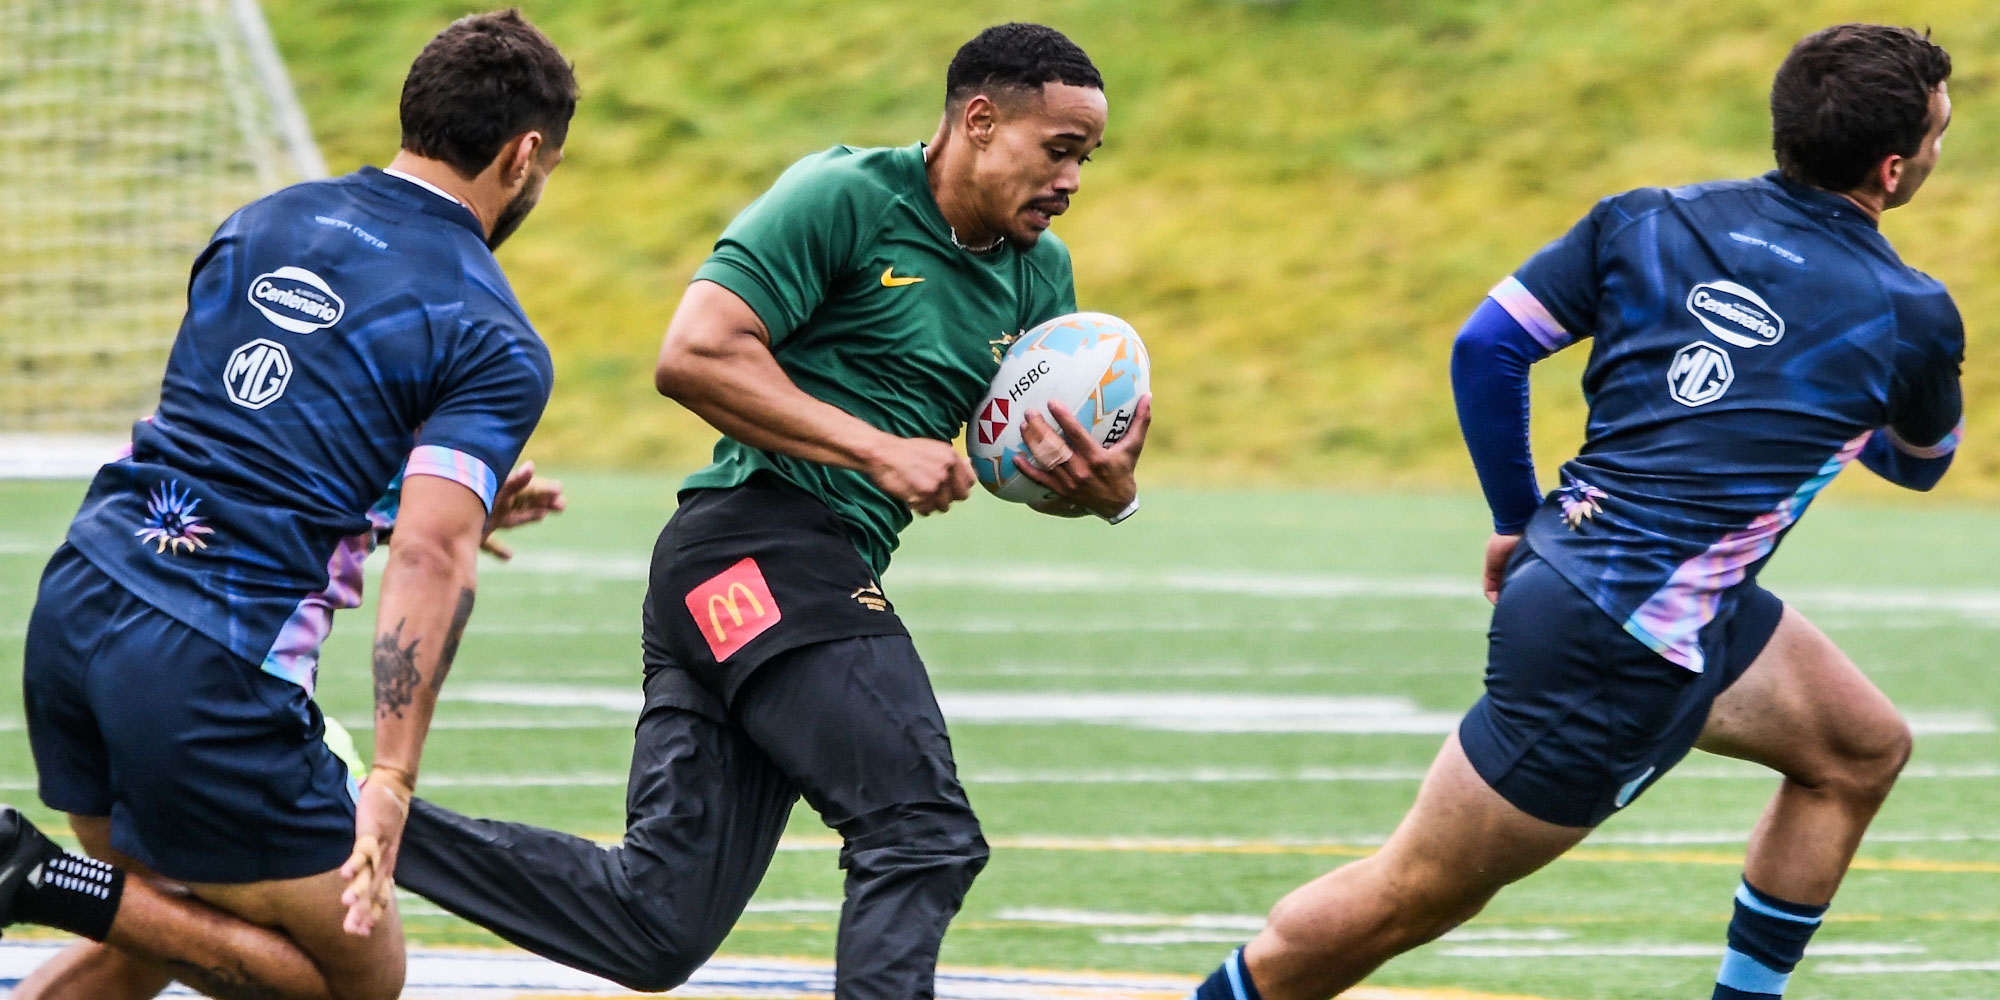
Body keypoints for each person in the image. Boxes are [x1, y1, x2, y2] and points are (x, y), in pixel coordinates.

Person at [1189, 23, 1959, 1000]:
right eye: (1938, 135)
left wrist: (1517, 520)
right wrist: (1827, 410)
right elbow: (1921, 462)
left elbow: (1486, 348)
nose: (1939, 150)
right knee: (1406, 895)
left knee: (1856, 748)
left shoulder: (1644, 218)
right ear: (1892, 170)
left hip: (1635, 587)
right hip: (1620, 646)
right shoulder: (1909, 312)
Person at [394, 21, 1149, 1000]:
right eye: (1058, 149)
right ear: (976, 121)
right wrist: (878, 449)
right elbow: (694, 353)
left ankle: (313, 819)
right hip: (752, 547)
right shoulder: (844, 196)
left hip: (767, 585)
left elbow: (1012, 459)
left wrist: (1100, 493)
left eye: (1086, 158)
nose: (1073, 179)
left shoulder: (1038, 274)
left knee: (652, 925)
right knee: (919, 830)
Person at [0, 10, 576, 999]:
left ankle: (60, 881)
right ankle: (32, 871)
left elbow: (247, 434)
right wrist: (390, 777)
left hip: (79, 603)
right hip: (205, 672)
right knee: (354, 980)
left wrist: (398, 507)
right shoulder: (491, 329)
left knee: (155, 923)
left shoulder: (263, 219)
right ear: (524, 155)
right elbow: (434, 564)